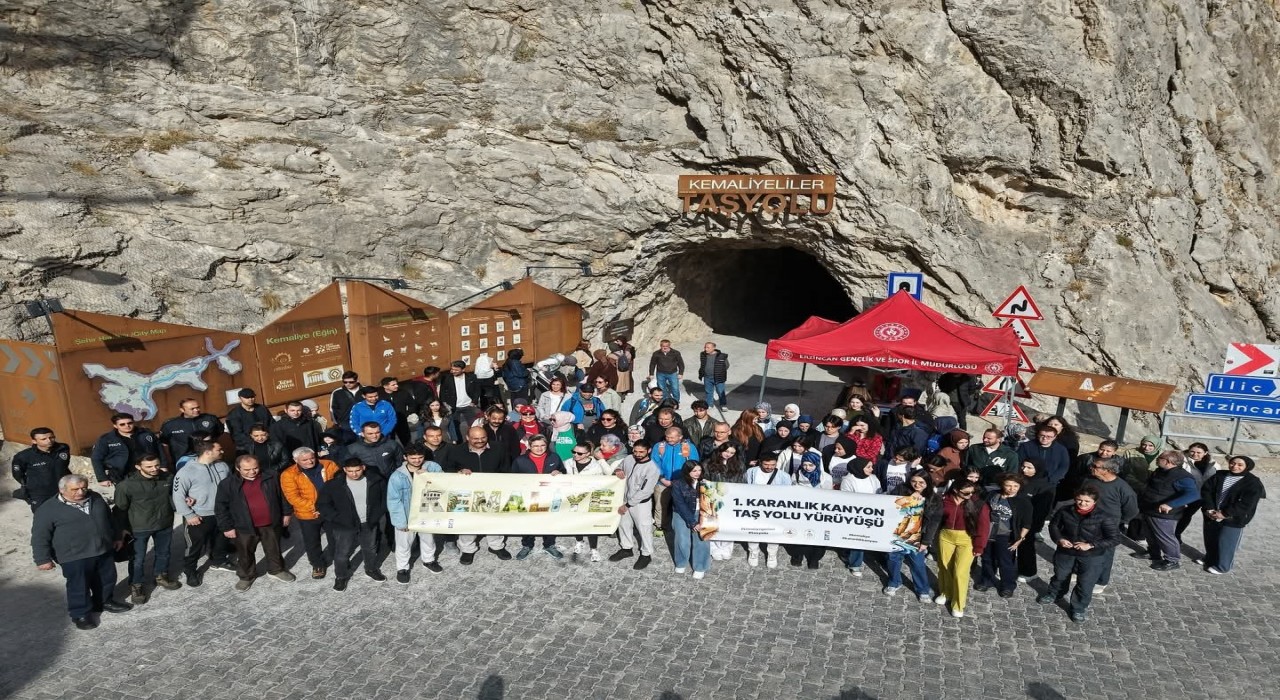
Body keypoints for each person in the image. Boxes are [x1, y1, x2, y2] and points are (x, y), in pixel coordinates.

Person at [31, 474, 133, 629]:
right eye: (75, 489)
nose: (81, 492)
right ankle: (80, 614)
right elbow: (39, 536)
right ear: (62, 490)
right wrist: (42, 559)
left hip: (102, 549)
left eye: (84, 487)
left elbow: (110, 519)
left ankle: (104, 602)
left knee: (106, 579)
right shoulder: (48, 509)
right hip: (74, 555)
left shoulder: (96, 497)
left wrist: (117, 537)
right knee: (79, 585)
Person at [1037, 485, 1120, 623]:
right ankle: (1054, 594)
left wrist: (1090, 545)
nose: (1082, 504)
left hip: (1092, 556)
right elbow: (1054, 526)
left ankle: (1078, 608)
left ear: (1094, 502)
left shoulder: (1104, 517)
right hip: (1066, 551)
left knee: (1086, 583)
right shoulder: (1065, 511)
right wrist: (1060, 539)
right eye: (1079, 500)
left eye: (1087, 501)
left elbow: (1114, 538)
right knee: (1060, 576)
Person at [214, 455, 296, 591]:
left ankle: (276, 570)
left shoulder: (271, 476)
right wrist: (226, 527)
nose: (252, 472)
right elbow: (221, 507)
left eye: (255, 468)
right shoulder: (228, 484)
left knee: (273, 548)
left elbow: (282, 495)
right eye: (247, 470)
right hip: (243, 525)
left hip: (270, 522)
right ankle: (247, 576)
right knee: (245, 553)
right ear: (237, 468)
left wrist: (286, 513)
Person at [114, 454, 181, 604]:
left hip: (164, 523)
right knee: (138, 559)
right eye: (149, 467)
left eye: (156, 465)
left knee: (164, 553)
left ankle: (161, 576)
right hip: (139, 528)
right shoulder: (126, 486)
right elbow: (119, 510)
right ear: (138, 467)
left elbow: (175, 494)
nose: (154, 469)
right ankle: (136, 585)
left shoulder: (168, 477)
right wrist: (122, 529)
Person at [173, 440, 237, 586]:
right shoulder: (186, 471)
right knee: (195, 545)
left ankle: (219, 560)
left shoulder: (223, 466)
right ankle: (190, 570)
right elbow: (178, 495)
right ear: (208, 452)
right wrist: (189, 515)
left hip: (222, 513)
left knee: (221, 539)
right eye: (219, 450)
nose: (222, 451)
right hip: (200, 516)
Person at [317, 459, 388, 590]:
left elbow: (384, 499)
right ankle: (341, 577)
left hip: (368, 522)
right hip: (344, 525)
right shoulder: (334, 484)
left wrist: (377, 514)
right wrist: (336, 518)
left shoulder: (376, 480)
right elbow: (323, 504)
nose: (354, 474)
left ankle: (371, 569)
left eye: (357, 470)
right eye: (350, 471)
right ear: (344, 470)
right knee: (342, 553)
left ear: (363, 467)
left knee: (370, 549)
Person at [445, 427, 511, 563]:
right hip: (467, 493)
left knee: (494, 519)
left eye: (483, 438)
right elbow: (448, 469)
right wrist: (459, 471)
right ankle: (468, 549)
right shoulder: (456, 451)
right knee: (468, 521)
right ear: (467, 438)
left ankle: (496, 545)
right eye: (475, 439)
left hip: (493, 490)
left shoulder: (499, 447)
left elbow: (506, 468)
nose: (480, 441)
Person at [280, 447, 341, 579]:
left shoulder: (329, 465)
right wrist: (316, 506)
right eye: (305, 460)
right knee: (311, 540)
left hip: (330, 509)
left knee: (335, 536)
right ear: (296, 460)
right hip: (307, 513)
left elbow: (340, 484)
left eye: (312, 458)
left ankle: (338, 559)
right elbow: (293, 497)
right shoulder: (288, 474)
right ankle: (317, 564)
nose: (310, 461)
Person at [1200, 455, 1267, 575]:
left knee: (1226, 542)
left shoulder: (1253, 482)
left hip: (1233, 518)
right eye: (1233, 463)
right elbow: (1206, 491)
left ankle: (1223, 566)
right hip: (1212, 513)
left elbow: (1247, 503)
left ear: (1247, 467)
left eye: (1240, 465)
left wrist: (1225, 513)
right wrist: (1209, 508)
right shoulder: (1219, 475)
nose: (1235, 466)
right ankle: (1209, 559)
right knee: (1210, 538)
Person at [1081, 455, 1138, 593]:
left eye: (1095, 466)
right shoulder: (1089, 481)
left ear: (1108, 470)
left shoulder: (1123, 489)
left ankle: (1101, 581)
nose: (1091, 468)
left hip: (1108, 527)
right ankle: (1080, 572)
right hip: (1086, 522)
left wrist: (1116, 522)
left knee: (1104, 555)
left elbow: (1131, 510)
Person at [388, 446, 446, 582]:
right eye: (413, 458)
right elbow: (393, 500)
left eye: (420, 457)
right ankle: (402, 568)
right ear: (405, 457)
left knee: (428, 539)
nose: (417, 460)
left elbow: (444, 483)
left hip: (426, 512)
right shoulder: (398, 475)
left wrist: (429, 476)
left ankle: (429, 560)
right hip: (407, 514)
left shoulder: (432, 467)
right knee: (404, 543)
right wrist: (400, 522)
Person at [883, 469, 942, 601]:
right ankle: (894, 582)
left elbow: (934, 522)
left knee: (918, 564)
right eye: (914, 481)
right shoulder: (900, 490)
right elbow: (890, 507)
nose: (917, 485)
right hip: (898, 532)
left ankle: (922, 589)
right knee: (893, 559)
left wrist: (926, 542)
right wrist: (909, 500)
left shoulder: (934, 498)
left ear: (928, 483)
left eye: (921, 482)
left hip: (918, 535)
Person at [934, 481, 989, 618]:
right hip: (946, 536)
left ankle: (958, 603)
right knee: (944, 566)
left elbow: (983, 526)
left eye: (972, 492)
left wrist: (979, 546)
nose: (970, 495)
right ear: (956, 490)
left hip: (967, 538)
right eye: (966, 493)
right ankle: (945, 592)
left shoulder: (978, 504)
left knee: (960, 572)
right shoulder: (944, 500)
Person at [1138, 450, 1198, 571]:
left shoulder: (1182, 476)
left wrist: (1171, 504)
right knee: (1150, 535)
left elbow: (1193, 494)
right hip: (1149, 509)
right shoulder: (1161, 470)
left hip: (1164, 514)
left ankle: (1172, 560)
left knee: (1165, 537)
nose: (1157, 459)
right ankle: (1153, 553)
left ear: (1169, 461)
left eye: (1160, 458)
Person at [974, 474, 1032, 598]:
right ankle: (987, 579)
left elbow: (1026, 523)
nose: (1012, 488)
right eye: (1008, 485)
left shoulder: (1023, 501)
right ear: (1002, 484)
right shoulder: (992, 494)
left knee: (1005, 561)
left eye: (1016, 486)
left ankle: (1008, 585)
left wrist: (1019, 539)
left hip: (1006, 535)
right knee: (987, 558)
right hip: (988, 532)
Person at [510, 434, 567, 559]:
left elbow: (563, 471)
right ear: (529, 446)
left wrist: (560, 472)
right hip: (529, 496)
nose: (539, 448)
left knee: (549, 520)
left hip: (549, 495)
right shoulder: (520, 460)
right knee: (527, 521)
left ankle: (549, 545)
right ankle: (527, 545)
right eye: (535, 446)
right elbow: (512, 479)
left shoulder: (554, 457)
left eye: (542, 445)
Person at [610, 440, 659, 570]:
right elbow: (620, 465)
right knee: (623, 525)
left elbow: (645, 491)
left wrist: (628, 505)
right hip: (624, 498)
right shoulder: (628, 458)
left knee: (644, 528)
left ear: (648, 451)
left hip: (640, 504)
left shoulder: (652, 468)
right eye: (635, 451)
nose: (637, 454)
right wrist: (618, 469)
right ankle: (626, 548)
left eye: (641, 452)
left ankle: (646, 554)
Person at [742, 452, 792, 568]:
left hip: (774, 510)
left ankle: (772, 554)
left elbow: (789, 494)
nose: (769, 467)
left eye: (772, 465)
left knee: (773, 531)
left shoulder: (784, 476)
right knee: (752, 530)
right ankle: (753, 552)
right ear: (760, 462)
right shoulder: (751, 472)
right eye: (766, 465)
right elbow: (744, 486)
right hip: (754, 508)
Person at [11, 427, 72, 512]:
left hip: (65, 489)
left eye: (51, 437)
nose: (49, 441)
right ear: (34, 441)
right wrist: (32, 484)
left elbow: (64, 466)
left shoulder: (63, 448)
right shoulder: (23, 456)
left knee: (69, 515)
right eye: (44, 439)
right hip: (40, 494)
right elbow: (17, 474)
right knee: (43, 517)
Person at [90, 413, 161, 486]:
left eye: (129, 423)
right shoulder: (107, 439)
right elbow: (96, 458)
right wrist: (102, 478)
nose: (127, 426)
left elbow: (159, 450)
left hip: (147, 472)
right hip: (121, 475)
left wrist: (164, 466)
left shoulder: (146, 434)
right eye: (122, 424)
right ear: (115, 426)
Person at [1014, 457, 1054, 582]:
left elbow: (1042, 510)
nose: (1024, 469)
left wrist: (1033, 526)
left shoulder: (1045, 486)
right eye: (1023, 466)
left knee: (1026, 546)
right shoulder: (1018, 480)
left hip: (1029, 522)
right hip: (1014, 519)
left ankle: (1029, 572)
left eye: (1029, 468)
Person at [791, 452, 833, 569]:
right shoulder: (796, 475)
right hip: (801, 512)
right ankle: (797, 556)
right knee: (798, 535)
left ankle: (814, 558)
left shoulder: (825, 478)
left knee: (818, 537)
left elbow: (828, 496)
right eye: (805, 465)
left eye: (811, 465)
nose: (807, 468)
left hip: (819, 513)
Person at [670, 461, 711, 578]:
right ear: (687, 471)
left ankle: (700, 566)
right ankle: (681, 562)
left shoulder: (705, 482)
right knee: (682, 540)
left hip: (702, 513)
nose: (698, 473)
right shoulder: (678, 484)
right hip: (681, 513)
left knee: (701, 540)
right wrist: (692, 522)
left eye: (699, 470)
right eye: (694, 471)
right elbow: (679, 504)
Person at [158, 399, 225, 467]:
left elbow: (219, 433)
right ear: (182, 410)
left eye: (198, 407)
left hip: (210, 456)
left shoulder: (210, 419)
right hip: (185, 461)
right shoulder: (171, 425)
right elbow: (164, 443)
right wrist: (169, 462)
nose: (196, 410)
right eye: (192, 409)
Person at [1175, 442, 1219, 542]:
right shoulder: (1182, 461)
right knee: (1183, 515)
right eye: (1192, 452)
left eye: (1199, 452)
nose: (1195, 455)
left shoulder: (1213, 464)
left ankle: (1177, 533)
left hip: (1204, 496)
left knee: (1207, 519)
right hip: (1187, 495)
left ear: (1205, 453)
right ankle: (1176, 534)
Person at [1016, 425, 1070, 492]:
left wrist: (1052, 479)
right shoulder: (1026, 446)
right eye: (1042, 435)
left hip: (1049, 483)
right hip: (1028, 481)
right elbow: (1018, 462)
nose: (1045, 438)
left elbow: (1063, 467)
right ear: (1038, 435)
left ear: (1055, 437)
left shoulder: (1061, 450)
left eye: (1049, 437)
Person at [439, 360, 480, 439]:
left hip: (468, 406)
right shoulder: (447, 378)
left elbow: (477, 390)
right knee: (454, 427)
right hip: (454, 407)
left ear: (463, 370)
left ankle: (473, 439)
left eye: (456, 370)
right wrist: (445, 404)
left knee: (472, 425)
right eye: (452, 369)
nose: (453, 371)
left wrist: (474, 401)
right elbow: (442, 392)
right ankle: (458, 441)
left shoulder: (471, 377)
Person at [379, 377, 425, 446]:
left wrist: (406, 413)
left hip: (401, 420)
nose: (396, 386)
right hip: (387, 422)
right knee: (389, 441)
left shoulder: (403, 393)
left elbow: (412, 404)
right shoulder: (379, 396)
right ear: (385, 386)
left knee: (406, 440)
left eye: (396, 384)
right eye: (393, 385)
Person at [225, 388, 272, 454]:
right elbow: (237, 435)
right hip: (247, 447)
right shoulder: (234, 414)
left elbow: (271, 424)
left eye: (252, 397)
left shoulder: (262, 408)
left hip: (267, 442)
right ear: (240, 399)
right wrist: (255, 441)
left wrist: (267, 438)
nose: (250, 399)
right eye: (247, 398)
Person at [647, 339, 685, 404]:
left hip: (673, 373)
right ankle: (665, 402)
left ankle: (676, 402)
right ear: (660, 346)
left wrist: (680, 373)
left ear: (669, 346)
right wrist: (651, 374)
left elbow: (681, 364)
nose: (665, 347)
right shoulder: (656, 354)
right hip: (660, 374)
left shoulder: (676, 353)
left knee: (675, 388)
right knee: (662, 389)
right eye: (663, 346)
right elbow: (652, 364)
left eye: (666, 346)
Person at [329, 371, 363, 438]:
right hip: (346, 424)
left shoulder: (365, 389)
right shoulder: (337, 392)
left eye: (351, 382)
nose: (348, 384)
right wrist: (338, 423)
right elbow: (332, 409)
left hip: (363, 421)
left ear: (357, 380)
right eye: (345, 382)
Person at [697, 342, 729, 409]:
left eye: (708, 347)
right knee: (708, 392)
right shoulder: (703, 354)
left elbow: (727, 365)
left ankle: (723, 405)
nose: (706, 349)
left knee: (720, 391)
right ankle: (709, 404)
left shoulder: (722, 355)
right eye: (705, 347)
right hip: (707, 377)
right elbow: (702, 364)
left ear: (714, 348)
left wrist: (720, 372)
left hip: (718, 377)